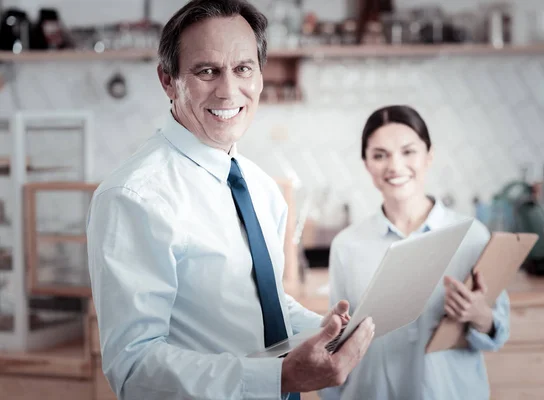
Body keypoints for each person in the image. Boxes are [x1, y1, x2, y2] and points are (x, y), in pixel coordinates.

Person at [86, 1, 374, 399]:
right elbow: (134, 367)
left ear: (259, 76)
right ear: (168, 80)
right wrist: (279, 379)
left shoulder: (260, 187)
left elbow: (264, 308)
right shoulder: (134, 196)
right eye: (207, 71)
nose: (228, 90)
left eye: (243, 69)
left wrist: (329, 330)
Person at [319, 105, 510, 400]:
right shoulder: (348, 245)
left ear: (428, 156)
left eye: (408, 152)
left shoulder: (472, 235)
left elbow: (497, 332)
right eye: (380, 155)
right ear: (367, 164)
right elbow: (335, 342)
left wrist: (479, 315)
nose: (395, 166)